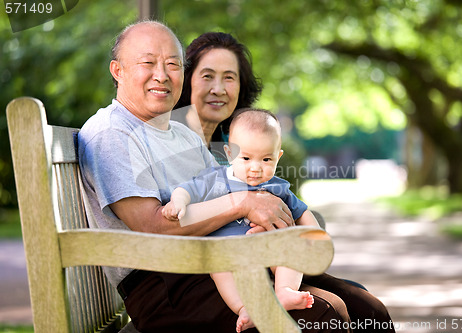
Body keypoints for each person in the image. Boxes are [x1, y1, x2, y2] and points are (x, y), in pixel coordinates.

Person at [78, 20, 351, 333]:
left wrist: (261, 225)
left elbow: (226, 187)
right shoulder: (113, 133)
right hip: (168, 286)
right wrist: (242, 205)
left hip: (218, 259)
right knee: (324, 314)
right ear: (118, 70)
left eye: (172, 64)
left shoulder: (183, 134)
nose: (162, 75)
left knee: (362, 306)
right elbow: (152, 227)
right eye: (148, 63)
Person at [175, 31, 396, 333]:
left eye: (229, 78)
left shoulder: (245, 135)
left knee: (369, 308)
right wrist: (244, 209)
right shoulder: (174, 142)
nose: (218, 88)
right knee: (331, 311)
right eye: (207, 76)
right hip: (215, 268)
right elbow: (179, 215)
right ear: (187, 81)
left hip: (270, 258)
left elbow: (296, 215)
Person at [164, 108, 319, 332]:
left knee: (291, 248)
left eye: (266, 159)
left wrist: (314, 236)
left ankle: (283, 291)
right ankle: (243, 308)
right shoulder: (215, 180)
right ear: (229, 153)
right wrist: (178, 202)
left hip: (268, 250)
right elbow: (187, 189)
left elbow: (302, 212)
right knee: (218, 268)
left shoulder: (277, 186)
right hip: (228, 254)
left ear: (278, 156)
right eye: (245, 158)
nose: (255, 168)